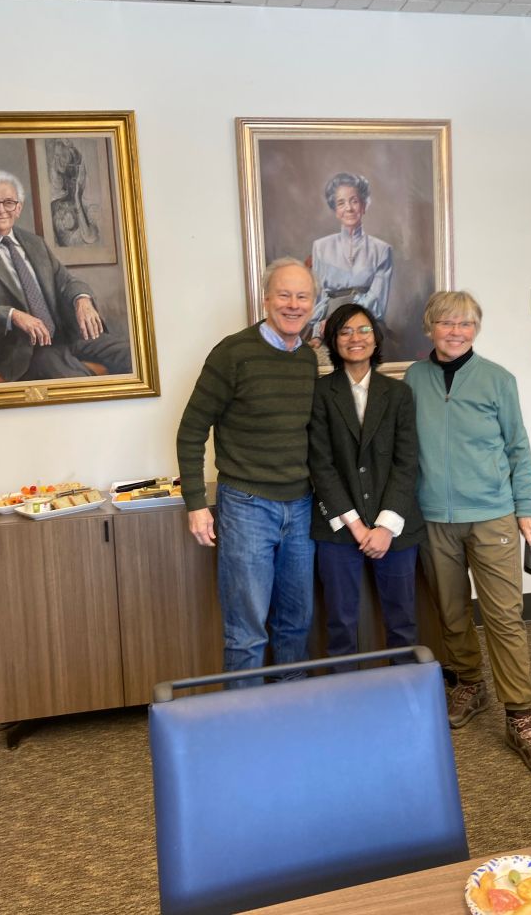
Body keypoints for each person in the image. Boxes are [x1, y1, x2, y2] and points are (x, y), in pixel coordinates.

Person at [404, 290, 531, 776]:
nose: (456, 332)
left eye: (466, 324)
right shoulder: (413, 378)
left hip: (492, 516)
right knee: (451, 612)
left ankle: (520, 717)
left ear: (476, 330)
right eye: (446, 323)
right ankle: (470, 682)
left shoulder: (497, 380)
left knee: (505, 617)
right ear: (430, 327)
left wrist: (528, 510)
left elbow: (518, 448)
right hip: (434, 518)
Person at [176, 256, 319, 684]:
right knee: (246, 633)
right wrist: (196, 504)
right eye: (284, 295)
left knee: (296, 625)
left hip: (301, 507)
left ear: (313, 303)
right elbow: (191, 430)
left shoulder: (308, 360)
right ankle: (246, 729)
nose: (293, 305)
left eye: (303, 296)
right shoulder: (232, 353)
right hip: (246, 507)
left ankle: (292, 716)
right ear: (265, 298)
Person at [308, 303, 425, 663]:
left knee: (402, 621)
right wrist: (359, 528)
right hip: (340, 529)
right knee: (341, 623)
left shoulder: (399, 394)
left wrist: (385, 527)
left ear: (375, 339)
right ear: (332, 340)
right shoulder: (319, 393)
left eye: (363, 330)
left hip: (395, 526)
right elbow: (321, 465)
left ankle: (406, 698)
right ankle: (347, 704)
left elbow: (407, 464)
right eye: (345, 331)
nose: (355, 338)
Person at [0, 169, 131, 382]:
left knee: (130, 354)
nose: (1, 209)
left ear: (18, 208)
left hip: (68, 336)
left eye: (9, 202)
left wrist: (82, 299)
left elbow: (67, 281)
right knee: (76, 381)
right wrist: (11, 315)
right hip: (22, 350)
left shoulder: (35, 243)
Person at [308, 172, 393, 346]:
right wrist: (318, 332)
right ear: (335, 209)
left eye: (354, 201)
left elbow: (376, 300)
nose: (349, 208)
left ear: (364, 205)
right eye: (341, 202)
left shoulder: (382, 249)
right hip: (326, 323)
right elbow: (319, 297)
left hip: (366, 321)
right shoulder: (320, 247)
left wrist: (340, 320)